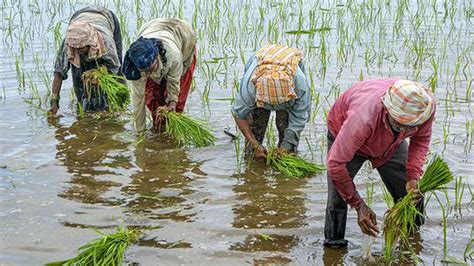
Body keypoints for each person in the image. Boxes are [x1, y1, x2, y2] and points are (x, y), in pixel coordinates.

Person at [324, 79, 436, 248]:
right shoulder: (363, 118)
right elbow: (335, 164)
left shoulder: (424, 108)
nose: (405, 130)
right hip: (346, 133)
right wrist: (358, 204)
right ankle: (334, 247)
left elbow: (421, 139)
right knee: (338, 197)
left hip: (392, 142)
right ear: (387, 109)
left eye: (410, 126)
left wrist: (413, 176)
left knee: (412, 194)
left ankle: (412, 240)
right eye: (400, 123)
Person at [231, 44, 311, 158]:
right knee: (255, 132)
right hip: (261, 68)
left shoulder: (300, 86)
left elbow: (299, 118)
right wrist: (255, 145)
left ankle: (286, 155)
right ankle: (252, 162)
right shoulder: (251, 86)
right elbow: (239, 114)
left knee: (287, 139)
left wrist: (285, 147)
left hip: (288, 75)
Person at [123, 18, 197, 131]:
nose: (148, 73)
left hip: (184, 39)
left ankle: (171, 132)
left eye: (150, 69)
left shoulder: (174, 56)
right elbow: (138, 100)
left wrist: (172, 105)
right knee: (152, 99)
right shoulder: (135, 66)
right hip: (152, 27)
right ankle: (159, 129)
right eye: (144, 71)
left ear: (157, 57)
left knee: (178, 103)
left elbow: (174, 83)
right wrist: (140, 132)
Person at [49, 6, 123, 115]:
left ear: (89, 43)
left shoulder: (106, 44)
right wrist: (54, 102)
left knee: (115, 80)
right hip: (79, 17)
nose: (78, 51)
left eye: (81, 48)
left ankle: (113, 107)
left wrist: (100, 74)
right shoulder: (69, 44)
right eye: (76, 49)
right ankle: (83, 110)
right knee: (79, 80)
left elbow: (115, 67)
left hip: (106, 19)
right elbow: (59, 73)